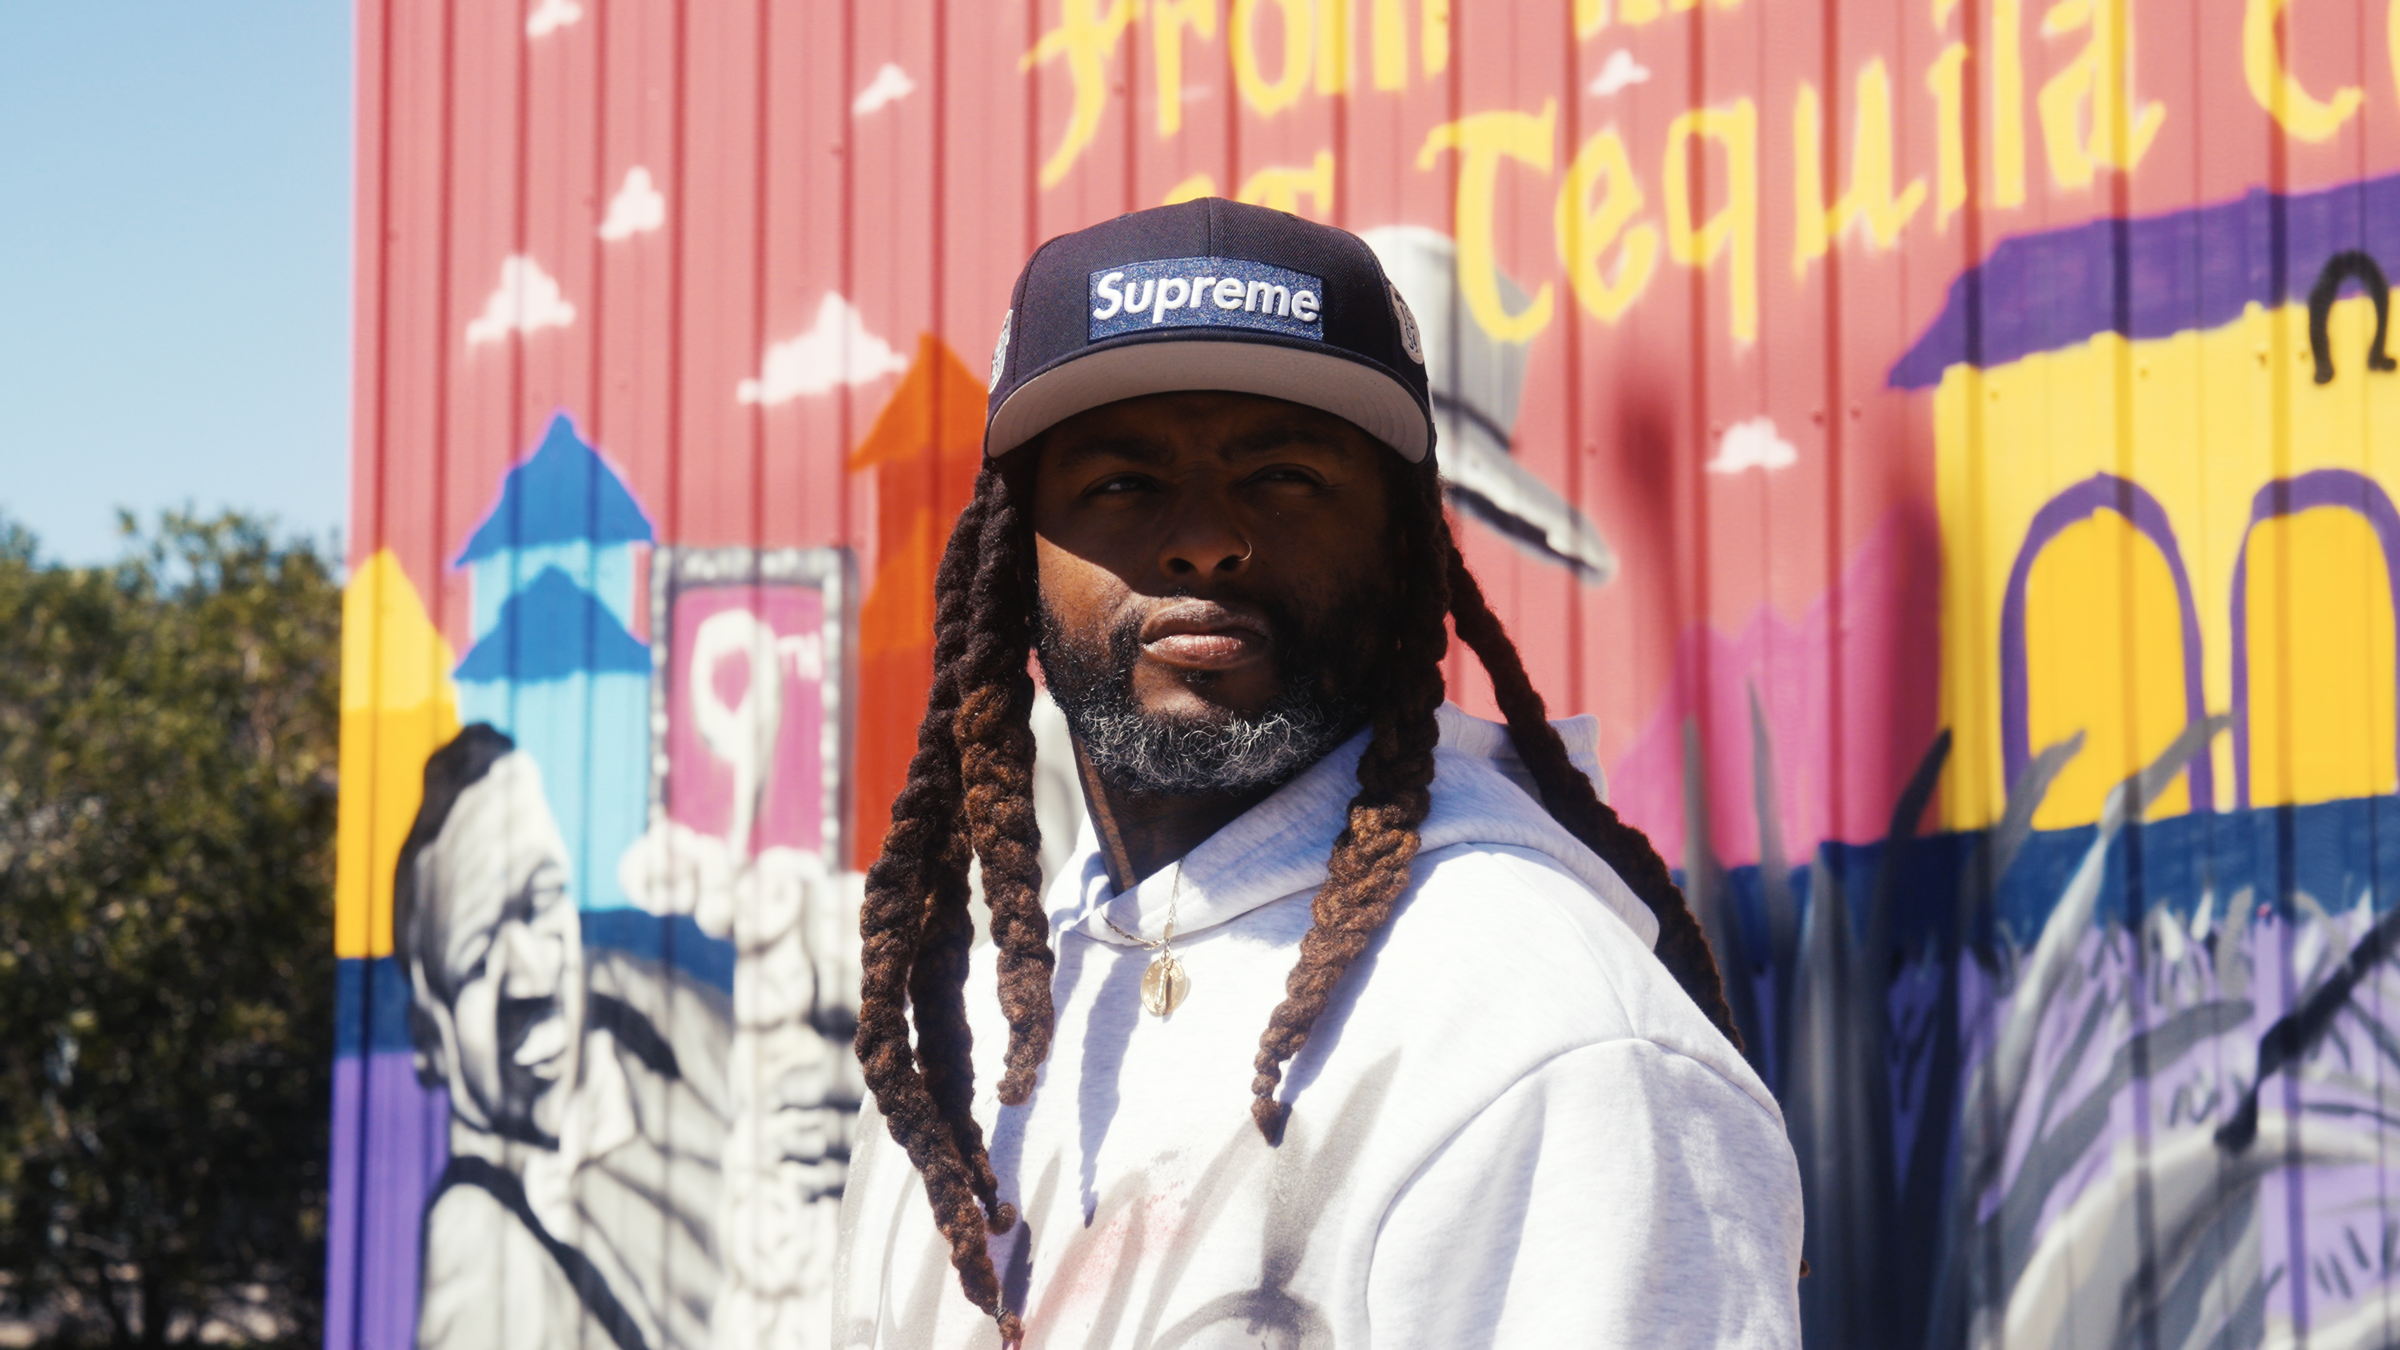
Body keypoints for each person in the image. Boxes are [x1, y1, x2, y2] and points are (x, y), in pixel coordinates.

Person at [832, 199, 1804, 1347]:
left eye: (1285, 474)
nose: (1205, 538)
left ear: (1400, 543)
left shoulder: (1556, 1046)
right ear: (1016, 560)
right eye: (1123, 483)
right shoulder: (971, 1040)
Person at [397, 725, 727, 1350]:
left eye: (541, 901)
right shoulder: (480, 1248)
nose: (530, 977)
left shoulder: (667, 1023)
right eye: (476, 959)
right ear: (429, 1039)